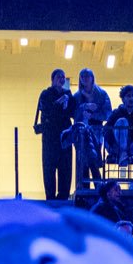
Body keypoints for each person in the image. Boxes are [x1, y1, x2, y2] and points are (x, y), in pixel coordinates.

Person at [34, 69, 75, 200]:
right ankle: (50, 197)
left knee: (65, 169)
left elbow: (72, 111)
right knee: (49, 169)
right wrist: (58, 104)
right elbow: (46, 111)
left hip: (64, 137)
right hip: (50, 138)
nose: (61, 79)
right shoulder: (46, 94)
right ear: (52, 79)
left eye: (63, 77)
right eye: (59, 77)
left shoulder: (68, 95)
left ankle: (63, 196)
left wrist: (66, 103)